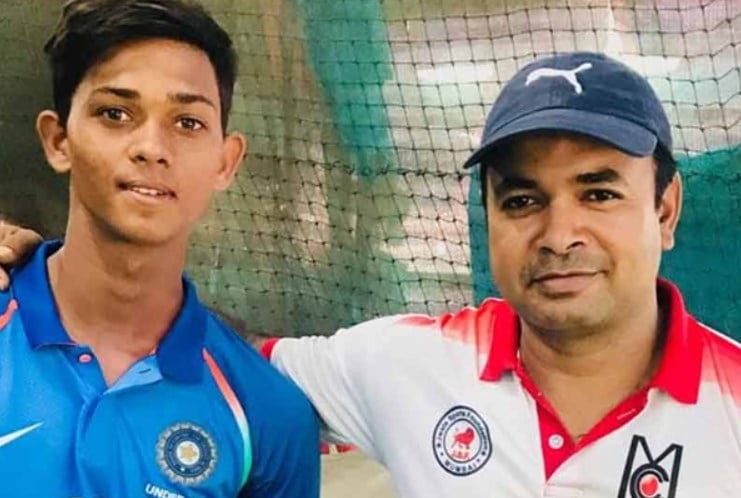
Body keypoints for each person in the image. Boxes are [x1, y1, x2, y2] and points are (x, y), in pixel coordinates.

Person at [3, 52, 740, 496]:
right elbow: (225, 362)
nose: (558, 234)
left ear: (665, 209)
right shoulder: (405, 363)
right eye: (522, 200)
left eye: (598, 193)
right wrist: (40, 267)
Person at [0, 1, 318, 496]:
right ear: (58, 140)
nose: (151, 147)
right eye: (115, 113)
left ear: (225, 161)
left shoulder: (266, 413)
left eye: (187, 122)